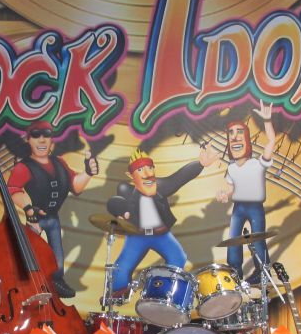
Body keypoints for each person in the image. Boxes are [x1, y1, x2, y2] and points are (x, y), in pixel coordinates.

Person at [107, 146, 218, 294]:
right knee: (122, 267)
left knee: (178, 258)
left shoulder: (160, 186)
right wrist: (122, 212)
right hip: (137, 235)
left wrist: (200, 164)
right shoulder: (126, 190)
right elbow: (115, 202)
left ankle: (162, 289)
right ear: (131, 175)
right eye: (140, 170)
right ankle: (116, 294)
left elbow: (179, 178)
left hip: (160, 234)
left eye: (150, 168)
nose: (147, 174)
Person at [7, 120, 99, 298]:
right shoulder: (23, 167)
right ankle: (29, 285)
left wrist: (88, 173)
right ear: (28, 140)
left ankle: (56, 281)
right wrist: (28, 209)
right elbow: (13, 189)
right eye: (36, 135)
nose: (42, 140)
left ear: (52, 140)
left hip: (53, 218)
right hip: (35, 220)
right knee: (30, 255)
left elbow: (75, 186)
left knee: (57, 255)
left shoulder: (60, 163)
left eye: (46, 135)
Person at [216, 101, 277, 283]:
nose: (234, 138)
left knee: (257, 239)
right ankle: (235, 272)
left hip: (255, 207)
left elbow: (271, 142)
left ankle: (263, 272)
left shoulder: (257, 164)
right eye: (231, 134)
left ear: (247, 140)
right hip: (238, 207)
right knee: (233, 240)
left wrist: (267, 120)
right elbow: (232, 188)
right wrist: (226, 195)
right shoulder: (231, 168)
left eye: (239, 132)